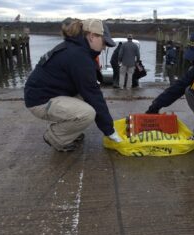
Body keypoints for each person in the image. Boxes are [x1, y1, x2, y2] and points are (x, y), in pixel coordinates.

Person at [24, 18, 122, 152]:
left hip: (49, 93)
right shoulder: (78, 56)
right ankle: (55, 137)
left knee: (87, 104)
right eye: (104, 42)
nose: (104, 47)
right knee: (87, 113)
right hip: (40, 101)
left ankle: (68, 133)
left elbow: (90, 91)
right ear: (92, 36)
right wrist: (109, 130)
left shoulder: (76, 49)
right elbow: (93, 94)